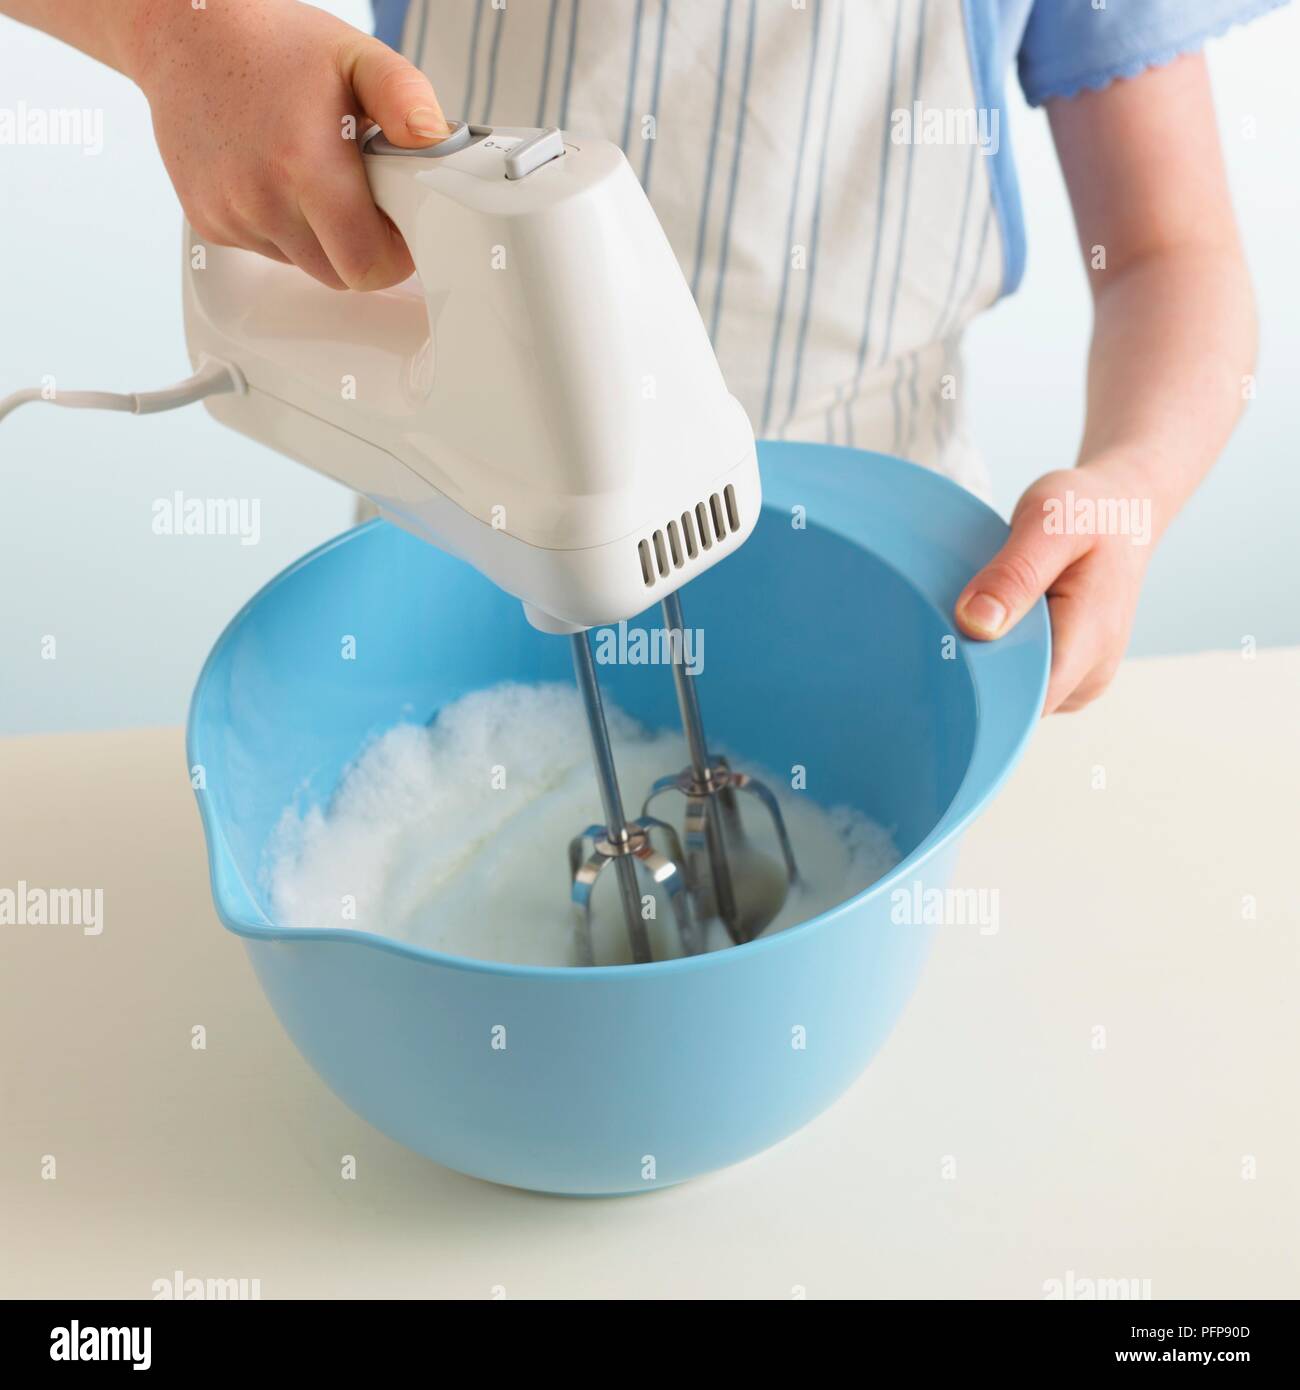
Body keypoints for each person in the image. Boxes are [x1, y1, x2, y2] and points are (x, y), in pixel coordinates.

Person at [2, 0, 1275, 711]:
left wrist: (1134, 481)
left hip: (891, 561)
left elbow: (1170, 255)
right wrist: (180, 33)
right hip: (466, 525)